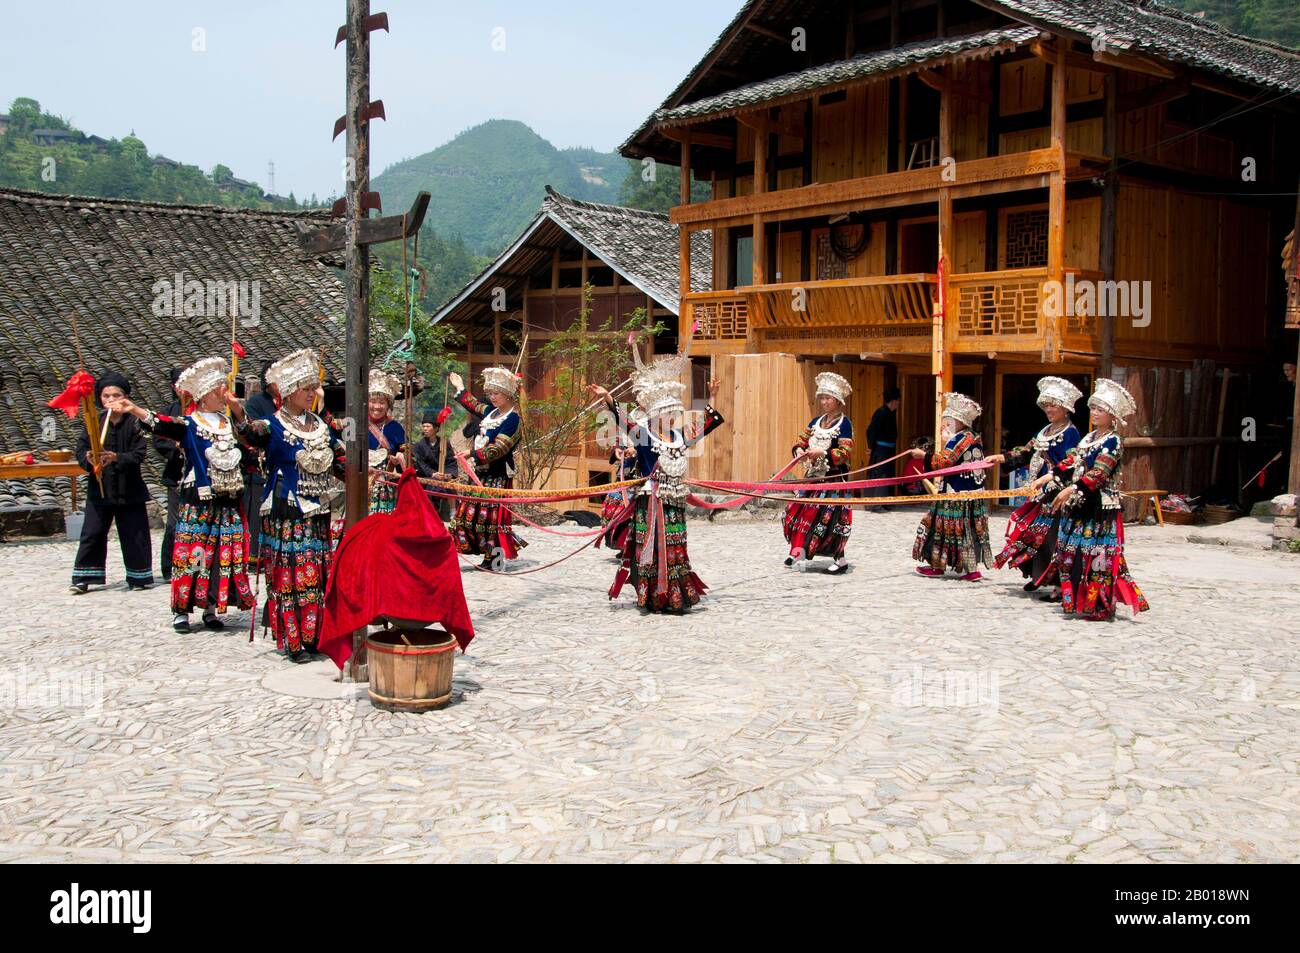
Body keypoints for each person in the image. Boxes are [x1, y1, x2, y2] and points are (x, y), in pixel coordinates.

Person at [111, 358, 255, 632]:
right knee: (194, 554)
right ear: (202, 395)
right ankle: (181, 610)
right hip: (198, 501)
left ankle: (211, 607)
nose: (223, 393)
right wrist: (134, 409)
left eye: (223, 388)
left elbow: (252, 441)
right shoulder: (189, 423)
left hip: (227, 501)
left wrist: (238, 411)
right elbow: (160, 423)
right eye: (217, 389)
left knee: (218, 555)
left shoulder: (230, 423)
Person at [587, 340, 725, 613]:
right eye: (667, 415)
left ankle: (675, 593)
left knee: (675, 544)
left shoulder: (678, 437)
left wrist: (712, 398)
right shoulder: (643, 435)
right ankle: (653, 594)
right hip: (651, 502)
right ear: (655, 415)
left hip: (673, 501)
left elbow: (705, 426)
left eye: (674, 414)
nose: (672, 419)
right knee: (652, 544)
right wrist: (608, 398)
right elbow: (623, 419)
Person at [236, 348, 346, 662]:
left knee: (315, 574)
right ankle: (292, 640)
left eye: (314, 387)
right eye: (306, 388)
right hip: (286, 512)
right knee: (289, 575)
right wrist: (239, 412)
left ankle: (314, 636)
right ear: (288, 392)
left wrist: (365, 474)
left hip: (318, 512)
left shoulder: (322, 427)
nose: (312, 393)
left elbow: (339, 461)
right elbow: (247, 435)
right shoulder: (271, 425)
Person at [1043, 378, 1150, 621]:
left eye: (1100, 409)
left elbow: (1099, 472)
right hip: (1081, 505)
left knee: (1098, 557)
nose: (1095, 413)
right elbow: (1072, 461)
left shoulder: (1113, 441)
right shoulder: (1089, 438)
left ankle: (1100, 605)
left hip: (1100, 507)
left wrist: (1071, 490)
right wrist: (1051, 476)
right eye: (1093, 408)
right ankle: (1077, 601)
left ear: (1112, 415)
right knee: (1071, 553)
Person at [988, 376, 1082, 598]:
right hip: (1040, 492)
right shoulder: (1045, 431)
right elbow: (1026, 452)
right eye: (1046, 405)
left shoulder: (1071, 433)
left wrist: (1048, 479)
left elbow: (1070, 464)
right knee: (1035, 533)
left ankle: (1059, 586)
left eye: (1054, 405)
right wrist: (1001, 458)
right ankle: (1039, 577)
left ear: (1065, 407)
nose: (1049, 409)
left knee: (1055, 537)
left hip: (1058, 492)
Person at [69, 371, 154, 593]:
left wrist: (116, 457)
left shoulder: (135, 422)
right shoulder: (93, 422)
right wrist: (89, 457)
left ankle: (139, 576)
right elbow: (80, 450)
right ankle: (84, 577)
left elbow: (139, 454)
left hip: (129, 486)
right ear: (100, 398)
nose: (111, 400)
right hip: (101, 486)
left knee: (134, 532)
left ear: (125, 397)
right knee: (93, 531)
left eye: (116, 395)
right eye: (107, 396)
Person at [448, 366, 527, 568]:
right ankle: (478, 552)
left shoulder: (513, 420)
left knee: (493, 521)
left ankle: (495, 560)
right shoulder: (491, 412)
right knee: (466, 515)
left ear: (508, 394)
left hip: (498, 476)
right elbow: (473, 405)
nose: (492, 397)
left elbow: (499, 448)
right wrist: (460, 387)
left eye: (496, 393)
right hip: (480, 474)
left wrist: (473, 454)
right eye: (490, 393)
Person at [911, 392, 992, 581]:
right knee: (955, 529)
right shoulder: (970, 437)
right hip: (964, 493)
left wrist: (924, 456)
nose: (944, 427)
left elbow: (945, 462)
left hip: (958, 495)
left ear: (960, 421)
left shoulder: (962, 439)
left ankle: (960, 568)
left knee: (956, 529)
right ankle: (948, 566)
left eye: (949, 423)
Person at [782, 372, 854, 573]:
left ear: (838, 400)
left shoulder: (844, 424)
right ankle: (798, 550)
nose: (824, 402)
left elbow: (844, 453)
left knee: (831, 520)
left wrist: (821, 452)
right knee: (798, 512)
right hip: (812, 478)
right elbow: (801, 440)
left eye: (828, 398)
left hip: (833, 480)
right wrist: (798, 449)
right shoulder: (815, 422)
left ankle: (840, 559)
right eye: (821, 397)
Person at [153, 367, 185, 582]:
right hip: (177, 473)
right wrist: (177, 446)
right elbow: (158, 440)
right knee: (174, 523)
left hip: (202, 475)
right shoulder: (168, 412)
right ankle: (169, 567)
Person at [366, 369, 407, 515]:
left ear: (388, 405)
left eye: (382, 402)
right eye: (373, 401)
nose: (377, 406)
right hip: (361, 486)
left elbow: (406, 455)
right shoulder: (355, 425)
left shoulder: (396, 428)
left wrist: (400, 460)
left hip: (386, 487)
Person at [412, 409, 457, 521]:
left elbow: (450, 460)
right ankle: (432, 513)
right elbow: (420, 464)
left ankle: (452, 511)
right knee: (431, 487)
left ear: (436, 429)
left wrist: (449, 474)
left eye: (428, 426)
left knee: (450, 485)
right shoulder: (419, 445)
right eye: (424, 426)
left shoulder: (444, 443)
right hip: (427, 476)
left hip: (442, 474)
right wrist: (433, 474)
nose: (425, 429)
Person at [865, 386, 900, 497]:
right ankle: (875, 503)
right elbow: (871, 430)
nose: (899, 403)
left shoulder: (891, 412)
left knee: (887, 474)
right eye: (898, 400)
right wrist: (870, 447)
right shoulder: (881, 412)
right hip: (881, 450)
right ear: (894, 401)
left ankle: (884, 501)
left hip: (889, 449)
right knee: (880, 474)